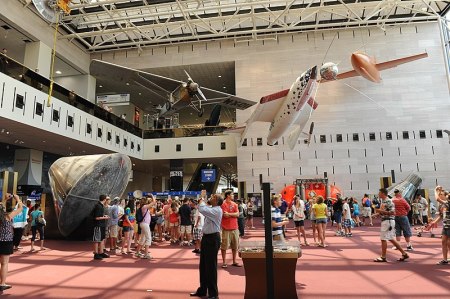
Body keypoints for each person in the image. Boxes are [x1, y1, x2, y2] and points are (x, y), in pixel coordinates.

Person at [190, 194, 223, 299]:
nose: (211, 198)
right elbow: (204, 208)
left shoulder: (217, 210)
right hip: (207, 238)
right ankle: (203, 290)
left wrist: (202, 200)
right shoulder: (213, 208)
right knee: (203, 266)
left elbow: (203, 209)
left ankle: (213, 293)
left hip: (212, 239)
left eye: (213, 197)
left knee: (211, 267)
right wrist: (203, 201)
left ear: (217, 201)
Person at [373, 188, 409, 262]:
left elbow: (392, 212)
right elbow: (385, 211)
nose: (378, 194)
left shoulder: (388, 201)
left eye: (379, 193)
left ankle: (383, 257)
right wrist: (377, 214)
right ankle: (404, 253)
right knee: (391, 238)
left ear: (383, 193)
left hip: (387, 221)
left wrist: (379, 211)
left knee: (383, 239)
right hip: (388, 221)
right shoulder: (384, 201)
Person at [0, 194, 23, 291]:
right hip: (6, 241)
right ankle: (2, 283)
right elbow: (21, 208)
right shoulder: (8, 216)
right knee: (4, 263)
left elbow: (1, 205)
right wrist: (18, 199)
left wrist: (4, 199)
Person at [427, 186, 449, 265]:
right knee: (444, 242)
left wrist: (435, 190)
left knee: (449, 243)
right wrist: (434, 222)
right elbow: (441, 216)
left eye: (441, 194)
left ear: (446, 196)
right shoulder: (442, 205)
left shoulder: (448, 203)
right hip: (445, 226)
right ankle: (445, 259)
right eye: (439, 194)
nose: (439, 195)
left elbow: (437, 199)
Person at [220, 190, 241, 268]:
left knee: (235, 246)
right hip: (226, 229)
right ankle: (224, 262)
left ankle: (234, 261)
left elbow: (237, 214)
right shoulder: (223, 204)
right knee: (224, 246)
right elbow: (225, 215)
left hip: (235, 228)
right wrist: (233, 214)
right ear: (228, 195)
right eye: (232, 194)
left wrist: (229, 214)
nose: (233, 195)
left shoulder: (235, 204)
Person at [92, 195, 110, 260]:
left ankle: (101, 252)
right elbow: (96, 217)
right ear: (104, 199)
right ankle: (96, 253)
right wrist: (105, 217)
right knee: (97, 240)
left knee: (102, 239)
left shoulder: (101, 206)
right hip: (98, 225)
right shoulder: (98, 206)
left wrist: (104, 216)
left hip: (101, 225)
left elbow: (99, 215)